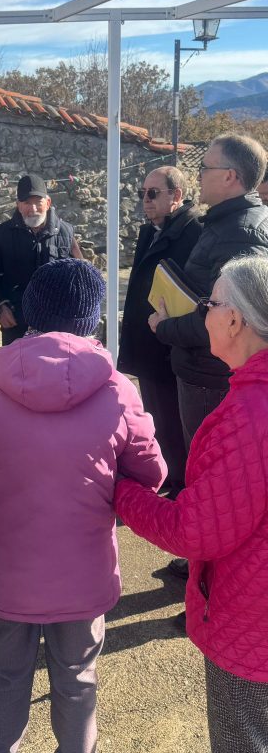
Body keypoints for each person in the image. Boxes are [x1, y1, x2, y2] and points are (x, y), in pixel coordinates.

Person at [0, 258, 165, 753]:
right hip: (82, 576)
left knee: (4, 680)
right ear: (94, 318)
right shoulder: (116, 388)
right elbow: (152, 473)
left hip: (5, 572)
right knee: (77, 683)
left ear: (32, 312)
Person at [115, 255, 268, 753]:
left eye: (211, 304)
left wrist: (124, 494)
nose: (203, 315)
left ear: (236, 321)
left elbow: (195, 530)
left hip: (251, 620)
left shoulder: (248, 415)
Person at [148, 134, 268, 593]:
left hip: (210, 375)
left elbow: (225, 318)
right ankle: (199, 564)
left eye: (206, 168)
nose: (198, 176)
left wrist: (166, 328)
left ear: (231, 176)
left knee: (214, 487)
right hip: (202, 369)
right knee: (207, 483)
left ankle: (209, 589)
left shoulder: (242, 233)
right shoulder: (227, 223)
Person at [118, 166, 202, 498]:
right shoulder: (151, 230)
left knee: (173, 419)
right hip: (149, 341)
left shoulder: (194, 232)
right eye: (143, 193)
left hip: (171, 345)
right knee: (155, 416)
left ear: (176, 195)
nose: (145, 200)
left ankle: (180, 484)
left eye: (152, 193)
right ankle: (167, 474)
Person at [0, 173, 83, 345]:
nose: (33, 208)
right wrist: (0, 307)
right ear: (18, 205)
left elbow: (80, 279)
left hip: (57, 325)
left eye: (38, 202)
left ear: (48, 203)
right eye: (27, 202)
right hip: (17, 324)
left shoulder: (66, 233)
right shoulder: (2, 235)